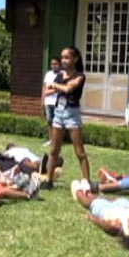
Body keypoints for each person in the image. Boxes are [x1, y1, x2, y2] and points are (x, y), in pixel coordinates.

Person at [41, 46, 89, 190]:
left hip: (72, 114)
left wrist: (55, 86)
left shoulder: (79, 76)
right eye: (62, 58)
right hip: (59, 112)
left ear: (75, 59)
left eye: (67, 58)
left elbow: (69, 89)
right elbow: (47, 91)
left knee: (79, 151)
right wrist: (58, 86)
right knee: (54, 150)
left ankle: (87, 181)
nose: (64, 60)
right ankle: (49, 181)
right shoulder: (60, 76)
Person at [41, 56, 62, 146]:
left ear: (59, 65)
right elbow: (44, 87)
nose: (54, 66)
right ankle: (51, 140)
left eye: (55, 64)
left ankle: (58, 141)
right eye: (52, 64)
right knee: (49, 121)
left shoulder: (62, 74)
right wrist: (42, 100)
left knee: (58, 122)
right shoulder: (48, 74)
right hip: (48, 101)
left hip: (57, 102)